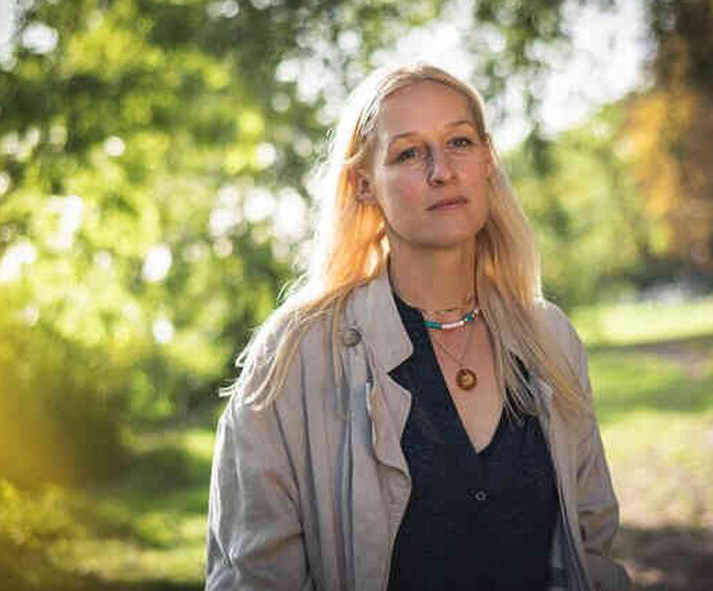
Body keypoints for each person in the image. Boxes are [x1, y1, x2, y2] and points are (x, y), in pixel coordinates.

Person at [205, 63, 631, 591]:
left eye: (459, 142)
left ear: (487, 159)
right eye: (408, 153)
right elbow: (252, 576)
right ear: (364, 185)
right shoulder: (295, 353)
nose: (442, 171)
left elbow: (593, 550)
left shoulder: (549, 337)